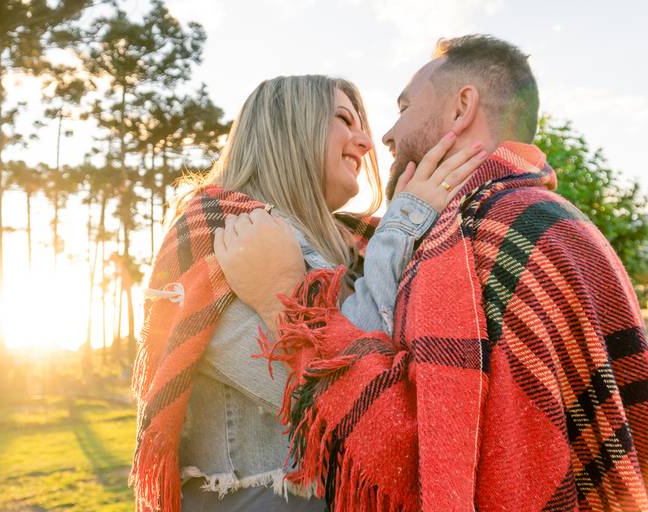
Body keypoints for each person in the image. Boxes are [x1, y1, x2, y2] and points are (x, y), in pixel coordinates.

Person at [215, 35, 648, 510]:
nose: (381, 136)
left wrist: (284, 294)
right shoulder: (491, 223)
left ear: (462, 107)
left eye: (402, 107)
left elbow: (401, 433)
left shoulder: (490, 231)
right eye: (344, 120)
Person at [128, 74, 487, 511]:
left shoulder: (346, 243)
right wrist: (404, 222)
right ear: (289, 128)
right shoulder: (223, 236)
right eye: (343, 119)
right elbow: (342, 388)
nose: (366, 143)